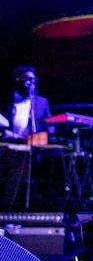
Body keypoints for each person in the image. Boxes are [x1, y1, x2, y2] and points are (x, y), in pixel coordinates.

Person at [1, 66, 52, 208]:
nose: (31, 83)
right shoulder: (6, 100)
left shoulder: (41, 102)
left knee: (19, 168)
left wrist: (47, 135)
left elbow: (50, 125)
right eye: (26, 79)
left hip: (31, 149)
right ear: (17, 80)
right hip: (6, 145)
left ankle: (9, 209)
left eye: (33, 80)